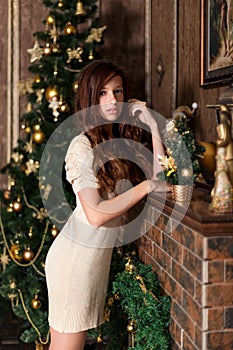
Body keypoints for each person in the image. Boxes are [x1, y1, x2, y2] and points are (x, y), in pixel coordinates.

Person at [45, 59, 169, 350]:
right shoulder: (82, 145)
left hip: (91, 263)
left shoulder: (118, 141)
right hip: (73, 263)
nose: (112, 100)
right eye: (102, 93)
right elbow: (96, 214)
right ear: (89, 99)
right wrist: (146, 186)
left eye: (118, 91)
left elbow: (161, 178)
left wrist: (152, 124)